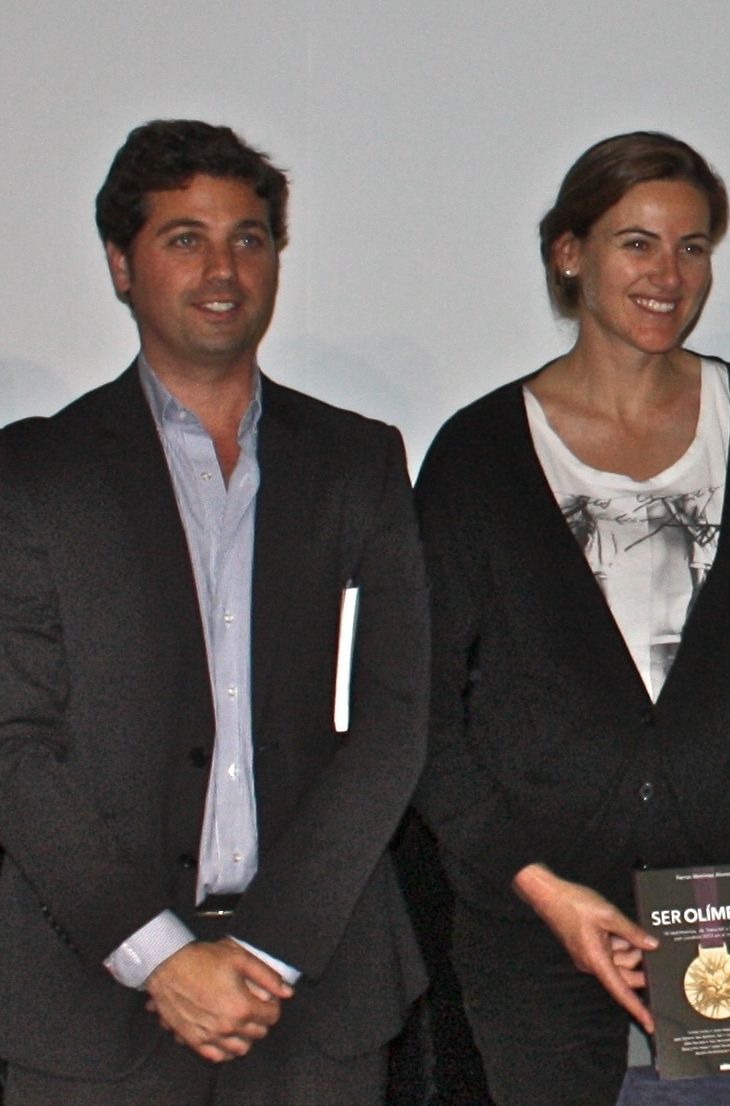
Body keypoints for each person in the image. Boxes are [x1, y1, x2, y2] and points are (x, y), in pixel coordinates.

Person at [0, 120, 428, 1104]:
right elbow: (14, 745)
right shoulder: (32, 473)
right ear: (121, 263)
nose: (223, 266)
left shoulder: (356, 462)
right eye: (184, 237)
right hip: (90, 998)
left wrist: (270, 945)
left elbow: (394, 720)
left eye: (249, 237)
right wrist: (161, 955)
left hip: (312, 990)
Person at [412, 131, 730, 1106]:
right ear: (569, 252)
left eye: (692, 247)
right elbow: (422, 717)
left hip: (723, 907)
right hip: (538, 915)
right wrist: (534, 882)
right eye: (636, 242)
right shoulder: (477, 454)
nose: (667, 274)